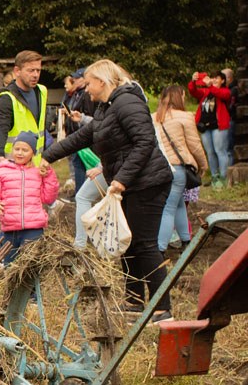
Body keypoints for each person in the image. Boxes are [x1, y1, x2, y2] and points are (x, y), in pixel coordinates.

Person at [43, 59, 174, 322]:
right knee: (128, 243)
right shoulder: (107, 108)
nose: (86, 88)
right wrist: (48, 156)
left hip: (148, 182)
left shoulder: (127, 103)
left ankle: (163, 308)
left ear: (102, 82)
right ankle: (134, 303)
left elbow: (144, 142)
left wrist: (122, 179)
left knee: (145, 244)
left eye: (89, 83)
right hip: (130, 183)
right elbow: (83, 137)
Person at [0, 132, 59, 265]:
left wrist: (48, 175)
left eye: (25, 150)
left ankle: (30, 286)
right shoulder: (0, 172)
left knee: (31, 265)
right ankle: (11, 284)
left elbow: (48, 197)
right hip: (10, 228)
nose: (20, 153)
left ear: (33, 153)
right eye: (17, 149)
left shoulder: (38, 173)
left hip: (34, 228)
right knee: (10, 265)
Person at [154, 85, 207, 252]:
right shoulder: (185, 117)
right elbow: (195, 145)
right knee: (169, 207)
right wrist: (203, 165)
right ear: (179, 97)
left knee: (177, 205)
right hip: (177, 168)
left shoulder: (153, 117)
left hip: (158, 168)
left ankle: (186, 240)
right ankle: (160, 250)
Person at [0, 50, 48, 160]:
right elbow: (1, 129)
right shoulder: (7, 98)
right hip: (14, 166)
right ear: (17, 71)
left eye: (38, 70)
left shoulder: (42, 91)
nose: (35, 75)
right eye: (31, 71)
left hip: (36, 164)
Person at [188, 70, 235, 187]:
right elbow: (193, 91)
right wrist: (193, 81)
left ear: (222, 81)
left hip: (219, 127)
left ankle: (223, 178)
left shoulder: (225, 91)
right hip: (205, 127)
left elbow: (222, 95)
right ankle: (214, 178)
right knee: (210, 153)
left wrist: (210, 86)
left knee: (220, 151)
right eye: (212, 77)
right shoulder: (205, 92)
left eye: (216, 78)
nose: (213, 80)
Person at [59, 67, 96, 196]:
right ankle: (80, 192)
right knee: (77, 163)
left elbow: (91, 114)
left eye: (76, 78)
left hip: (83, 134)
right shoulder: (76, 94)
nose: (73, 80)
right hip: (75, 132)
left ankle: (81, 193)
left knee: (81, 164)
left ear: (83, 79)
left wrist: (81, 121)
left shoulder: (86, 95)